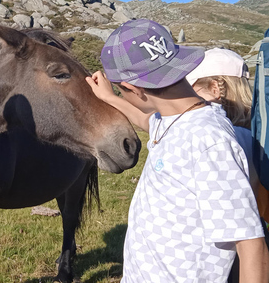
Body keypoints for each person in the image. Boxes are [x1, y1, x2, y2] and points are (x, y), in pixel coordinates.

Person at [85, 19, 269, 282]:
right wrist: (110, 97)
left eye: (121, 90)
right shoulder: (174, 120)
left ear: (135, 89)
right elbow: (146, 121)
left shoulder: (209, 142)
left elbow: (251, 245)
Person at [185, 47, 269, 282]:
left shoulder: (222, 140)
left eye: (192, 89)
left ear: (215, 88)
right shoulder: (255, 136)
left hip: (227, 258)